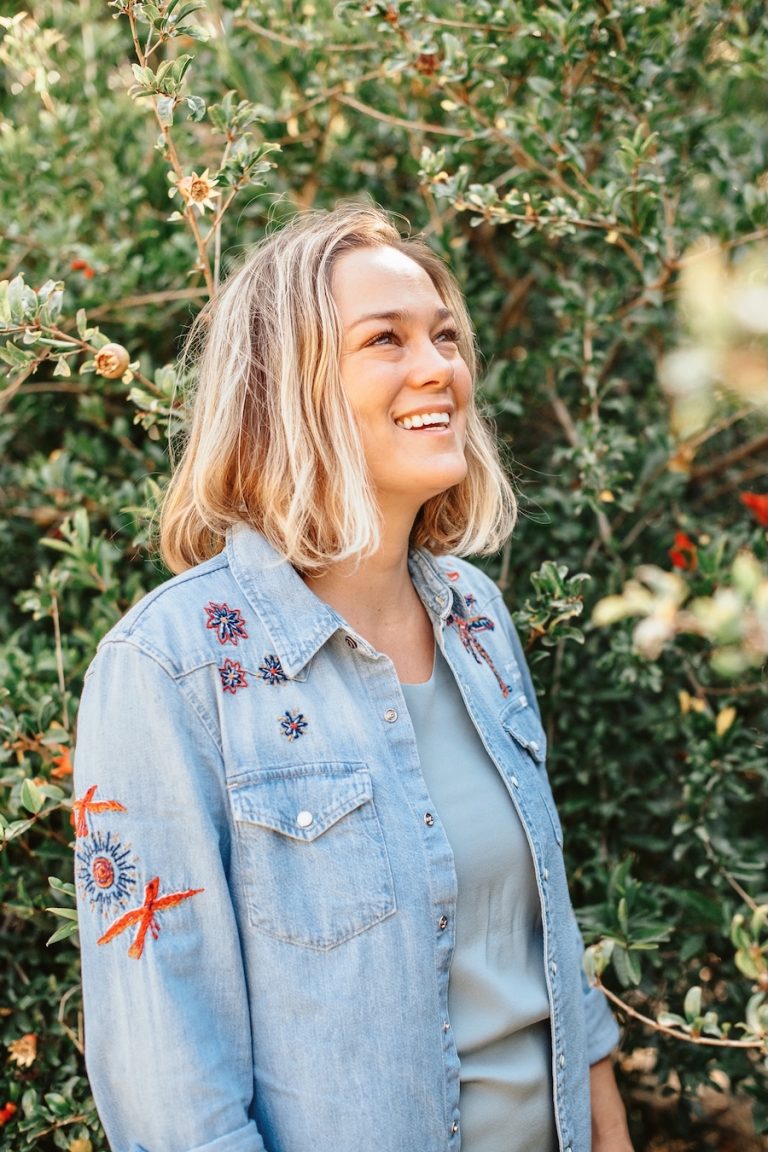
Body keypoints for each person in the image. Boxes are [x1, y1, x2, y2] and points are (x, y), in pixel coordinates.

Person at [73, 203, 633, 1152]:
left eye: (445, 336)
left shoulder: (476, 616)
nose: (440, 369)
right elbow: (172, 1097)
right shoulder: (168, 673)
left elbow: (553, 962)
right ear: (286, 385)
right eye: (387, 339)